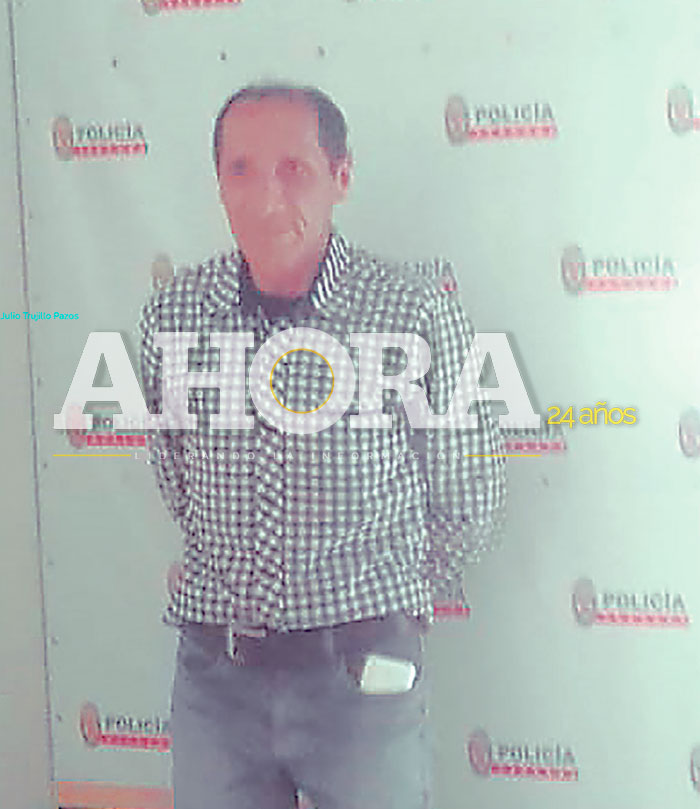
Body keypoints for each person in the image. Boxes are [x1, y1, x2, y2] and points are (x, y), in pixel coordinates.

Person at [137, 81, 507, 809]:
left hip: (362, 680)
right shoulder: (176, 314)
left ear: (341, 176)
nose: (265, 197)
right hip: (216, 679)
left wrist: (384, 607)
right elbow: (176, 474)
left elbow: (468, 493)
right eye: (240, 169)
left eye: (293, 169)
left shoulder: (411, 310)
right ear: (217, 183)